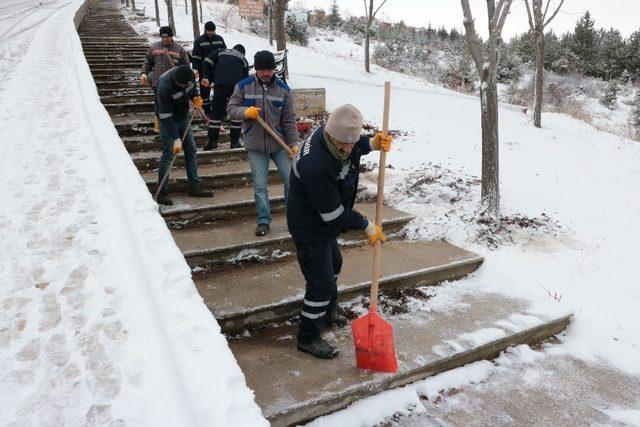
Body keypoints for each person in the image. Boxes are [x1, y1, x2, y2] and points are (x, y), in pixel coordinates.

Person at [286, 104, 393, 359]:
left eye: (351, 143)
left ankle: (328, 310)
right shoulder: (316, 165)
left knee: (335, 263)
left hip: (324, 221)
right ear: (330, 135)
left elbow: (352, 143)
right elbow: (333, 215)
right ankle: (308, 336)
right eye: (343, 145)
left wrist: (372, 144)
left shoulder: (336, 135)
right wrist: (366, 225)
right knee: (320, 283)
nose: (347, 149)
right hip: (310, 226)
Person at [227, 51, 299, 236]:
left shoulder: (283, 90)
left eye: (269, 69)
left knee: (291, 180)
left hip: (279, 143)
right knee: (260, 185)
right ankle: (264, 221)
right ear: (256, 69)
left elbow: (289, 120)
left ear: (274, 69)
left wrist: (293, 144)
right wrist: (245, 111)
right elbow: (231, 109)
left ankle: (294, 219)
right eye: (262, 70)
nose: (266, 73)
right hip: (256, 145)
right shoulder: (243, 86)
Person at [156, 65, 213, 205]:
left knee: (191, 149)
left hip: (183, 116)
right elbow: (165, 117)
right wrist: (176, 138)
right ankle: (162, 192)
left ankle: (194, 186)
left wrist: (195, 98)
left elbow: (192, 90)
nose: (184, 86)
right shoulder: (164, 87)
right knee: (169, 153)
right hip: (167, 119)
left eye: (186, 84)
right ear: (176, 81)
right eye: (182, 85)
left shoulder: (189, 76)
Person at [140, 26, 190, 133]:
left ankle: (175, 128)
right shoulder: (154, 47)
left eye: (167, 37)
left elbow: (185, 67)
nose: (164, 39)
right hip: (158, 83)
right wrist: (144, 73)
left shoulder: (179, 49)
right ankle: (160, 129)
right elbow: (148, 61)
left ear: (171, 36)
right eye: (162, 37)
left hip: (174, 84)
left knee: (173, 106)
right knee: (159, 105)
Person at [201, 44, 249, 150]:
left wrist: (205, 75)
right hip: (236, 87)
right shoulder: (244, 59)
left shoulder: (221, 51)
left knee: (216, 114)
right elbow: (246, 80)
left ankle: (212, 141)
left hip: (220, 84)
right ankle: (235, 142)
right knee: (236, 113)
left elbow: (207, 61)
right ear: (242, 52)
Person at [191, 21, 226, 114]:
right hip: (204, 70)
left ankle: (220, 111)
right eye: (209, 31)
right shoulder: (199, 41)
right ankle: (207, 111)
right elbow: (196, 57)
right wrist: (195, 68)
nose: (210, 33)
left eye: (212, 31)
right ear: (205, 30)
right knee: (205, 91)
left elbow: (224, 53)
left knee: (220, 90)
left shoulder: (219, 39)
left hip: (218, 70)